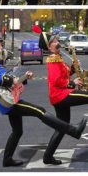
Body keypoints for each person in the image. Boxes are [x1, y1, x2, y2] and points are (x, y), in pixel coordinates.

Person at [0, 31, 86, 167]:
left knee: (17, 131)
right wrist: (9, 79)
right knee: (39, 111)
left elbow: (10, 82)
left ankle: (7, 159)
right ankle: (73, 130)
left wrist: (22, 78)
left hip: (10, 100)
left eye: (1, 44)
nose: (1, 48)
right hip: (9, 104)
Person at [39, 31, 88, 165]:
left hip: (58, 96)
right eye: (54, 41)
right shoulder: (52, 59)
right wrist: (73, 83)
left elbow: (64, 74)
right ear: (49, 47)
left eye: (56, 40)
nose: (57, 42)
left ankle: (47, 157)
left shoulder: (57, 57)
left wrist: (73, 69)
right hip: (61, 95)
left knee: (62, 127)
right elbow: (56, 80)